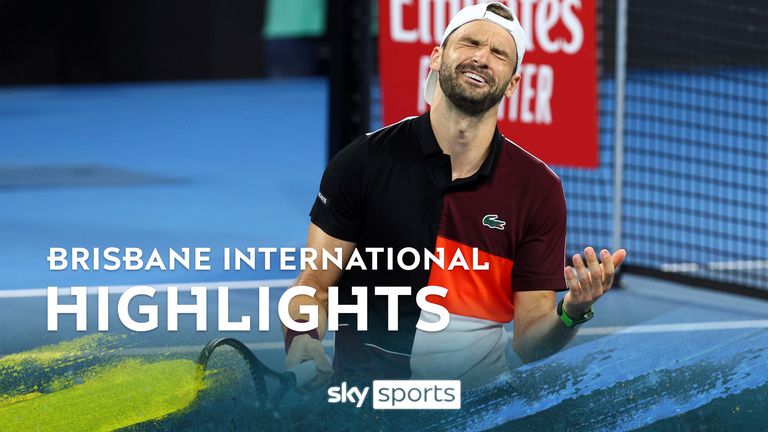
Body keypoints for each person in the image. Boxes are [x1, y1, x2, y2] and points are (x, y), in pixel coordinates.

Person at [284, 2, 626, 388]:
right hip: (367, 404)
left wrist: (571, 312)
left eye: (499, 54)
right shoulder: (362, 162)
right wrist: (301, 339)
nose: (481, 57)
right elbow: (315, 281)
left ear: (513, 83)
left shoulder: (538, 190)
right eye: (470, 43)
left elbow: (531, 340)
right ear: (436, 57)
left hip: (470, 407)